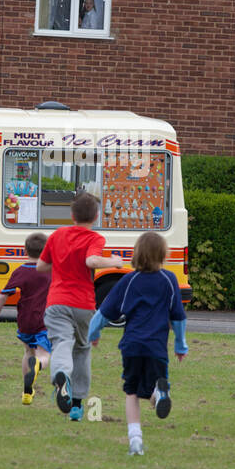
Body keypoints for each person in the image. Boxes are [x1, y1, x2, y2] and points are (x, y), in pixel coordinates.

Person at [89, 232, 187, 455]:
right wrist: (180, 346)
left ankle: (135, 441)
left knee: (132, 392)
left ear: (137, 253)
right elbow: (178, 317)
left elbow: (104, 313)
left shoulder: (128, 280)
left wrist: (92, 334)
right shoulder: (169, 280)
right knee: (153, 385)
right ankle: (160, 394)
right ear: (163, 254)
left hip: (131, 346)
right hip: (157, 348)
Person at [36, 192, 123, 421]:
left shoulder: (57, 235)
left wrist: (61, 263)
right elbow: (91, 261)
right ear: (95, 216)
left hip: (56, 302)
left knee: (62, 342)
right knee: (82, 349)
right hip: (83, 303)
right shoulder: (94, 238)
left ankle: (61, 375)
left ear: (72, 215)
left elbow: (41, 266)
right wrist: (114, 262)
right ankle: (76, 404)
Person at [0, 232, 52, 404]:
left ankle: (27, 391)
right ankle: (38, 365)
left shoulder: (21, 271)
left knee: (28, 352)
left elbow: (3, 295)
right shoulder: (51, 270)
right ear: (46, 252)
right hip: (45, 320)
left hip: (25, 320)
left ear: (24, 250)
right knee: (44, 354)